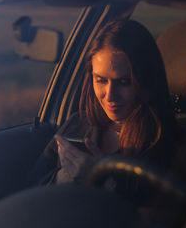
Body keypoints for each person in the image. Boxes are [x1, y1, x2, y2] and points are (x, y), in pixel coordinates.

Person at [32, 19, 176, 185]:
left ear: (147, 80)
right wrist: (61, 178)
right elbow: (30, 188)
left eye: (124, 82)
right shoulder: (77, 124)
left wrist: (104, 181)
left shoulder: (169, 144)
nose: (110, 96)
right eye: (100, 80)